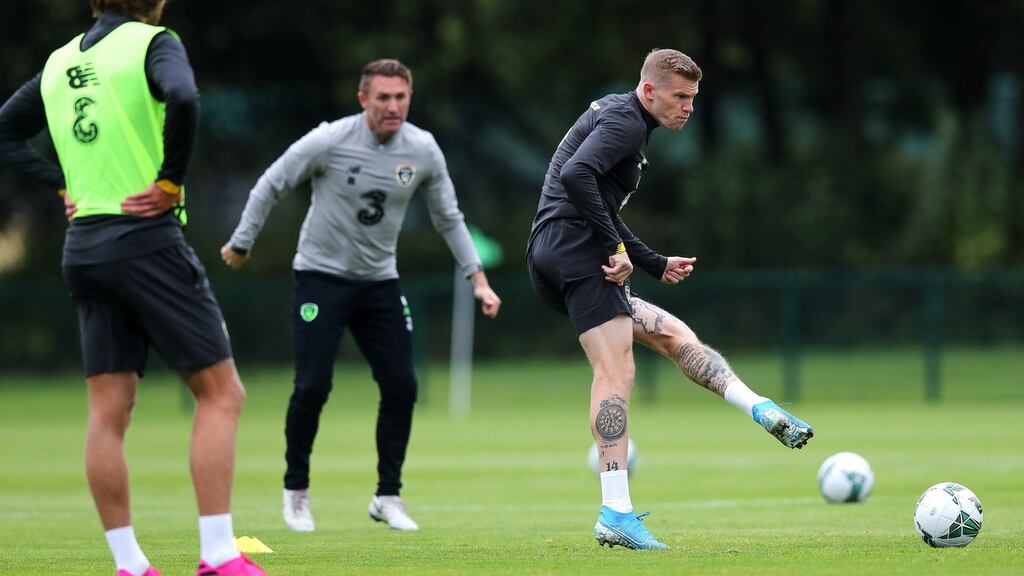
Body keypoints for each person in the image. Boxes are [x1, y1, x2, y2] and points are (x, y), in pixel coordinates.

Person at [0, 2, 268, 575]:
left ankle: (130, 566)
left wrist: (62, 183)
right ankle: (220, 557)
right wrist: (170, 180)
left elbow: (4, 131)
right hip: (144, 241)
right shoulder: (153, 42)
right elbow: (186, 98)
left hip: (84, 250)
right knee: (222, 394)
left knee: (108, 412)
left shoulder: (58, 62)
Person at [526, 48, 814, 550]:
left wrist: (651, 260)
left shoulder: (621, 116)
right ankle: (616, 511)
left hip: (563, 251)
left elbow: (593, 195)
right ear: (649, 91)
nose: (688, 108)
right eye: (680, 97)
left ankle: (760, 408)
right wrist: (616, 249)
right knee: (616, 372)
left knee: (671, 334)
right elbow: (576, 178)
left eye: (693, 98)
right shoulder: (628, 124)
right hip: (576, 250)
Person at [221, 58, 502, 533]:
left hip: (379, 282)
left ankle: (387, 496)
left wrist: (477, 277)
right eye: (383, 98)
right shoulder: (330, 140)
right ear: (363, 100)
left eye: (401, 98)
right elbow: (272, 182)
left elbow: (449, 218)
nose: (393, 107)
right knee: (312, 386)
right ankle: (296, 492)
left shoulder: (423, 150)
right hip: (319, 277)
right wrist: (242, 241)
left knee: (402, 386)